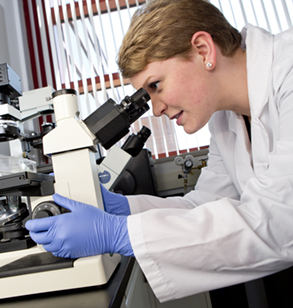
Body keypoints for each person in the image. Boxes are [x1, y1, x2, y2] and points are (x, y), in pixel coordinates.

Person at [25, 0, 293, 303]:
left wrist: (120, 234)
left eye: (156, 85)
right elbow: (205, 206)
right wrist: (125, 211)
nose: (155, 109)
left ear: (204, 50)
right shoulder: (223, 119)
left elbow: (281, 221)